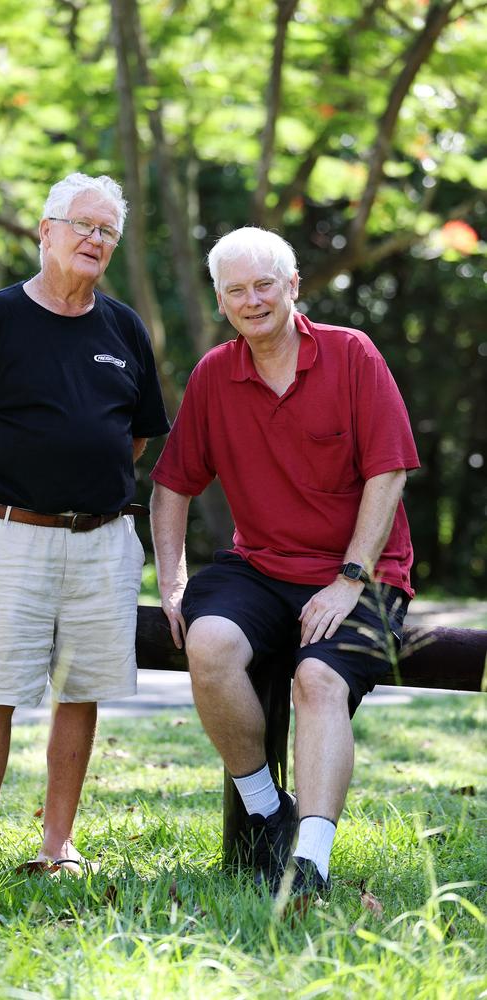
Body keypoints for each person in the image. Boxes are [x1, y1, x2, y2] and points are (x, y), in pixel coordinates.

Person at [150, 226, 419, 906]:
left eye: (264, 284)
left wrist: (349, 578)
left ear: (293, 285)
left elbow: (389, 473)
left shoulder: (352, 355)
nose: (252, 299)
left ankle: (311, 862)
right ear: (220, 300)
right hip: (261, 565)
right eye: (236, 290)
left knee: (317, 678)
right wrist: (172, 580)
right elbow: (172, 485)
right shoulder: (216, 374)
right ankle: (269, 814)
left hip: (366, 570)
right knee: (207, 644)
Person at [0, 172, 169, 878]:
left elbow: (137, 436)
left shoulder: (123, 329)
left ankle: (58, 844)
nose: (95, 239)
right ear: (46, 230)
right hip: (9, 537)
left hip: (102, 541)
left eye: (107, 231)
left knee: (81, 690)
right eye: (83, 225)